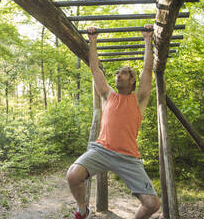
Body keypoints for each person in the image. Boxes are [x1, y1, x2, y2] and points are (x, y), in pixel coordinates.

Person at [66, 25, 160, 219]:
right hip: (101, 151)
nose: (118, 74)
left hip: (128, 157)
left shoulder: (139, 99)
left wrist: (148, 40)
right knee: (73, 175)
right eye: (117, 72)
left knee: (152, 204)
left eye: (123, 72)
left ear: (133, 79)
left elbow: (148, 69)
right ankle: (82, 210)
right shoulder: (108, 96)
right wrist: (93, 40)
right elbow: (95, 69)